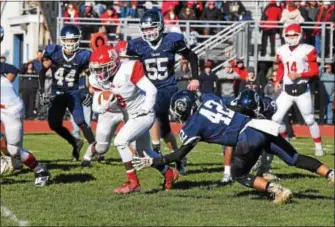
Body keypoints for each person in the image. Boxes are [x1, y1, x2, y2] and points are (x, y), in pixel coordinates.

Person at [132, 90, 334, 204]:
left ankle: (277, 190)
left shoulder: (192, 126)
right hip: (259, 126)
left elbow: (180, 153)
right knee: (294, 158)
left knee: (239, 174)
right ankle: (331, 174)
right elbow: (234, 104)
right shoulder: (209, 98)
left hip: (245, 138)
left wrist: (155, 161)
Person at [87, 45, 178, 194]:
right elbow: (96, 106)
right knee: (144, 153)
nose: (99, 73)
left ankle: (133, 182)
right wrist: (104, 105)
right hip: (128, 114)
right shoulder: (96, 79)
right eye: (96, 69)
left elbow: (151, 90)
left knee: (120, 141)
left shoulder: (128, 69)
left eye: (103, 68)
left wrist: (146, 108)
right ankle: (169, 173)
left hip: (142, 113)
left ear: (114, 63)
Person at [126, 10, 199, 174]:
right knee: (165, 129)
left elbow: (192, 56)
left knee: (155, 112)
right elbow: (128, 67)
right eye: (145, 29)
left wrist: (195, 78)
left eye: (152, 28)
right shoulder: (137, 45)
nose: (148, 32)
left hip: (168, 87)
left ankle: (156, 147)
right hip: (147, 88)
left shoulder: (171, 40)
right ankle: (179, 157)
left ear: (160, 26)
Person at [0, 25, 50, 185]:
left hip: (11, 110)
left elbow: (12, 71)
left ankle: (41, 170)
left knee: (15, 150)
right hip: (4, 106)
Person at [38, 24, 96, 161]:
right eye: (68, 40)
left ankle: (95, 149)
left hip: (73, 92)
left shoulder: (83, 55)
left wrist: (89, 90)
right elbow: (42, 70)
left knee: (81, 121)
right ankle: (75, 142)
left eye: (73, 40)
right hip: (56, 92)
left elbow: (91, 73)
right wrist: (41, 91)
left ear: (78, 40)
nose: (70, 43)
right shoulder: (54, 51)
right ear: (62, 40)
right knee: (54, 124)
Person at [272, 23, 324, 156]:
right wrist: (277, 80)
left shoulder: (307, 49)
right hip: (287, 90)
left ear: (300, 35)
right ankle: (285, 140)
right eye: (289, 35)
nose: (292, 37)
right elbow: (282, 68)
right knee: (275, 117)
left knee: (309, 120)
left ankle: (318, 146)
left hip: (302, 90)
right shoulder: (281, 50)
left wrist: (299, 75)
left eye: (295, 34)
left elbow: (315, 71)